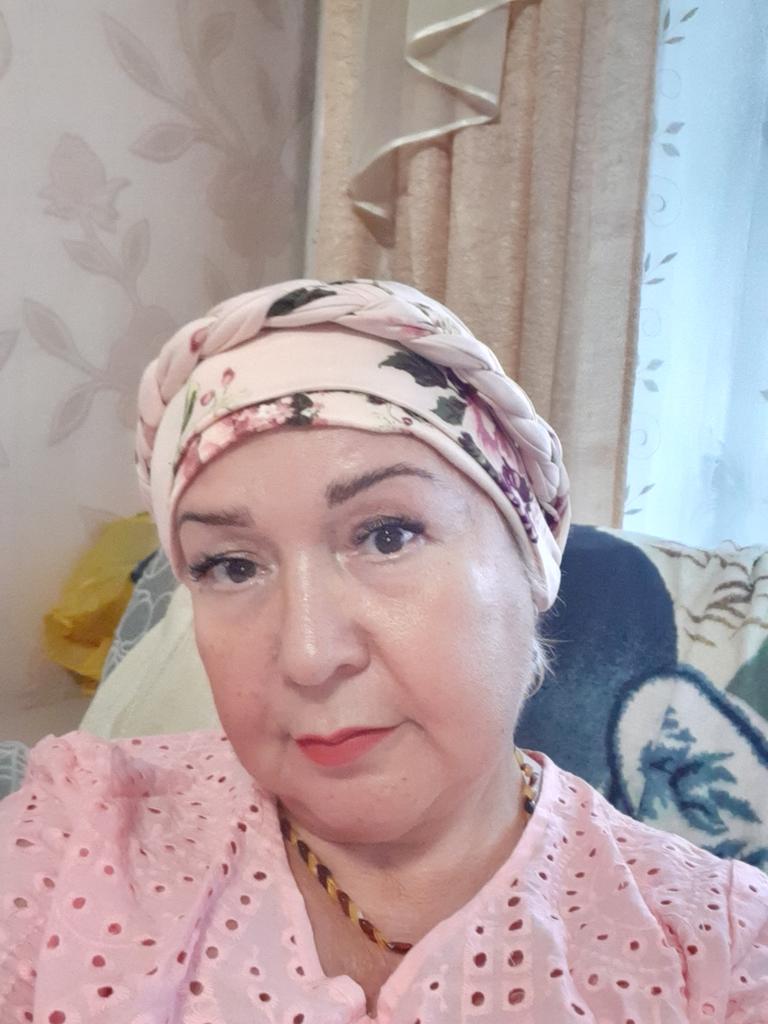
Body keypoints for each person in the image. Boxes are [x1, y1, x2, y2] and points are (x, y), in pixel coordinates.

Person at [1, 279, 766, 1023]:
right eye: (231, 566)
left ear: (530, 562)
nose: (308, 656)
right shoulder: (74, 837)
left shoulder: (720, 952)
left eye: (388, 535)